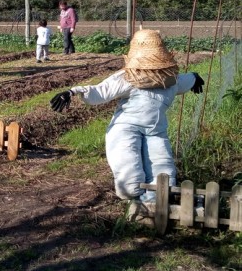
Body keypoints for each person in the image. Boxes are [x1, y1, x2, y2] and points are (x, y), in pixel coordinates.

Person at [50, 29, 205, 201]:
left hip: (156, 130)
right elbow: (101, 91)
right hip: (125, 130)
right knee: (129, 184)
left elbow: (186, 80)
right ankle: (140, 199)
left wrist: (194, 77)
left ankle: (153, 202)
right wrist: (72, 91)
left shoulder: (170, 80)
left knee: (165, 181)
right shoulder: (128, 78)